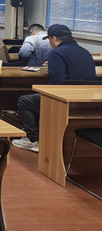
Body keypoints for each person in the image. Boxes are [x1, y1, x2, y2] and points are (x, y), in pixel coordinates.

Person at [13, 24, 97, 153]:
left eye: (49, 39)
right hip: (87, 98)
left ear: (55, 38)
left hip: (64, 98)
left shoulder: (56, 53)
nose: (49, 42)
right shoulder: (84, 51)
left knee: (25, 101)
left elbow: (57, 81)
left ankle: (33, 139)